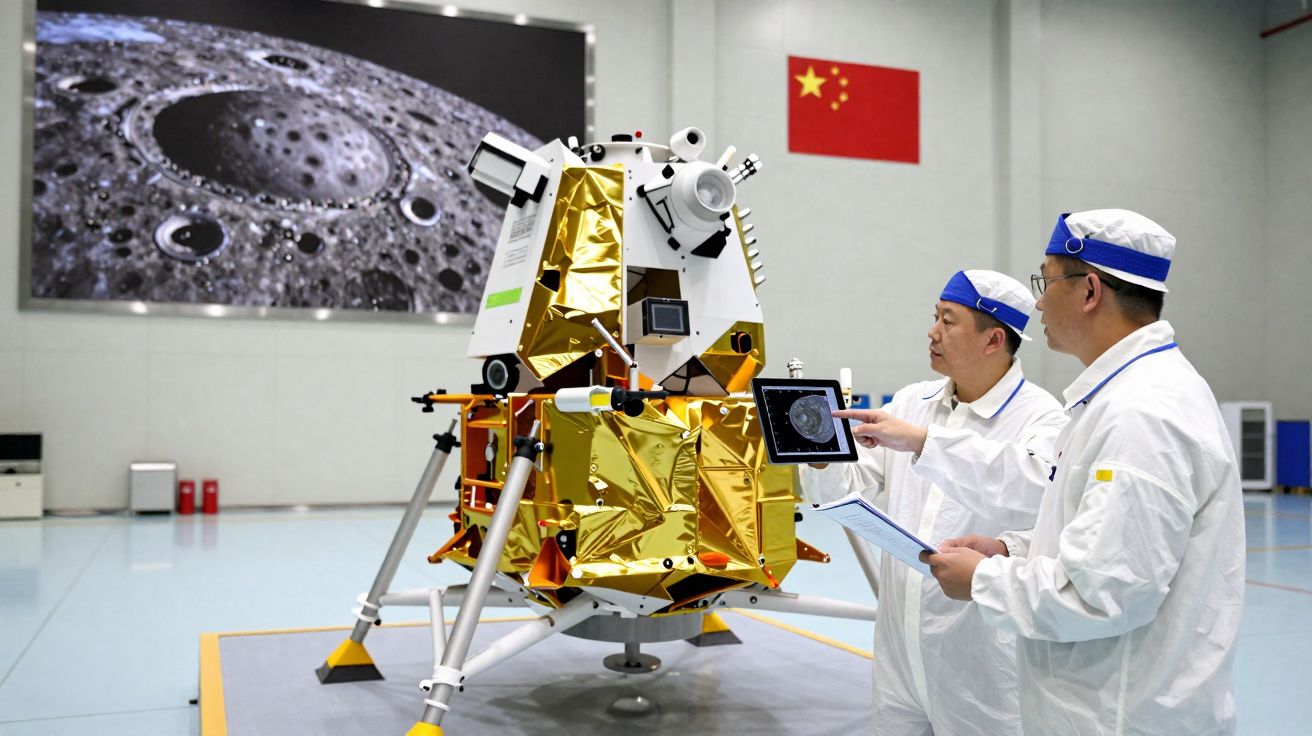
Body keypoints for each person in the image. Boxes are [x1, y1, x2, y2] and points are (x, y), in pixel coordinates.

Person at [922, 210, 1245, 735]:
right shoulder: (1120, 397)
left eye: (1046, 281)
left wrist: (984, 579)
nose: (1040, 301)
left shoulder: (1143, 412)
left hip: (1119, 716)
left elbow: (1104, 592)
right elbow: (1104, 543)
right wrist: (1013, 550)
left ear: (1089, 290)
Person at [803, 269, 1067, 736]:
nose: (932, 331)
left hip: (983, 665)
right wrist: (822, 455)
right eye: (935, 317)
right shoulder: (912, 402)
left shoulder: (1042, 418)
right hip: (899, 652)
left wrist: (924, 443)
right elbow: (852, 486)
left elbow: (1035, 488)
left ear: (993, 340)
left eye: (948, 321)